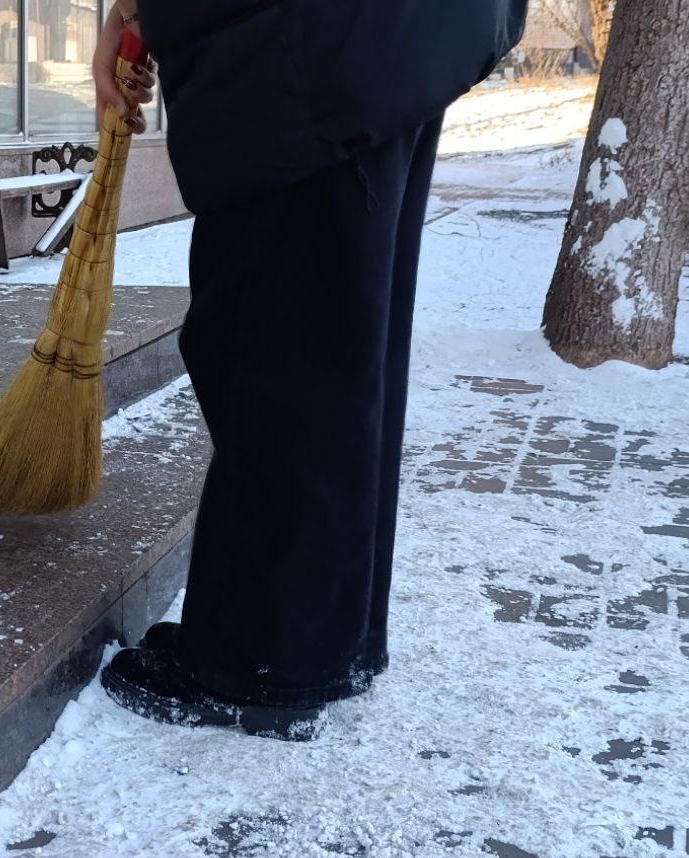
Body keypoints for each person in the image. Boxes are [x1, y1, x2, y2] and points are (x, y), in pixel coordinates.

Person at [93, 0, 528, 741]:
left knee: (277, 354)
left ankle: (261, 668)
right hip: (387, 37)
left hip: (304, 45)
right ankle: (323, 643)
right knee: (342, 344)